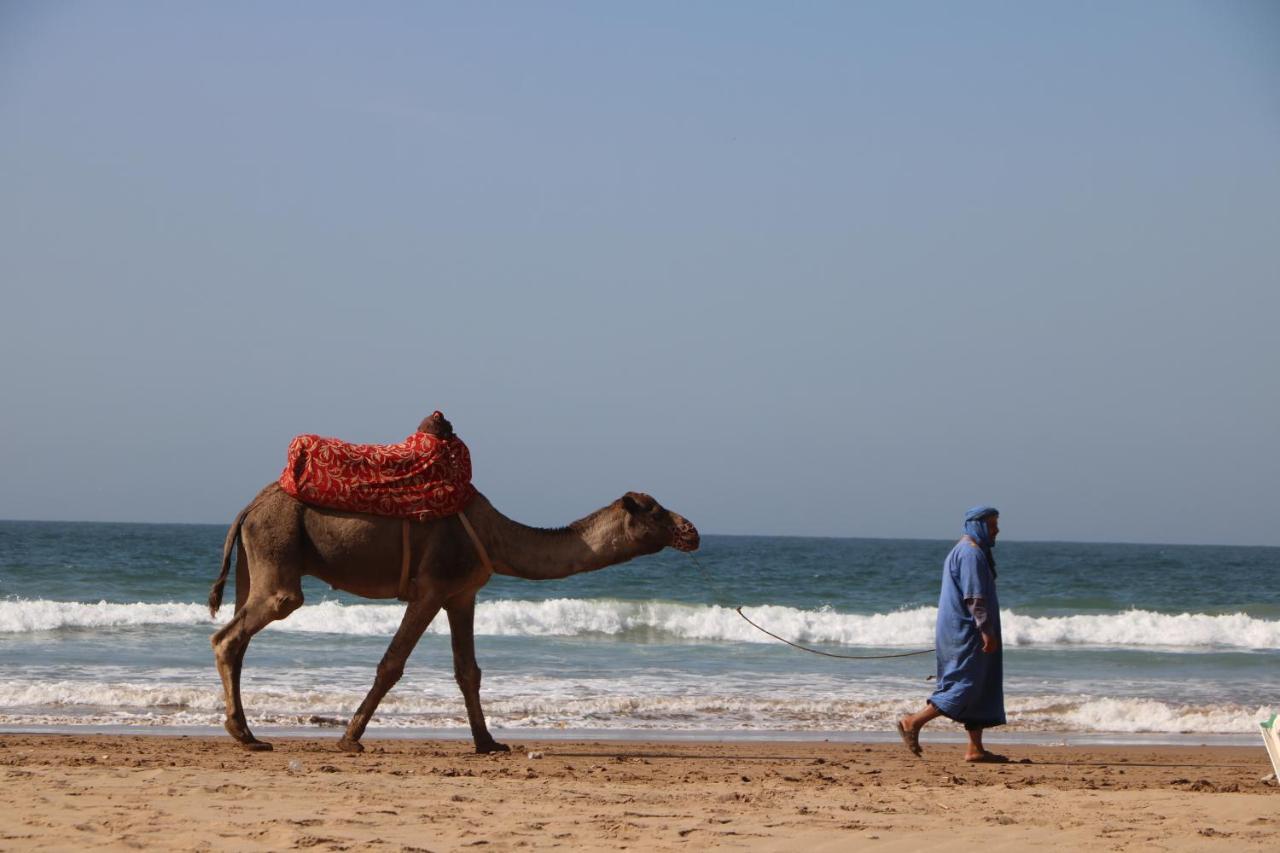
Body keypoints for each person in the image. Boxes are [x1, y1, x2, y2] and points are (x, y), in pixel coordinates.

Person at [896, 505, 1007, 762]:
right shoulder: (970, 554)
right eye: (992, 525)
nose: (997, 530)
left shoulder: (970, 551)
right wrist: (986, 631)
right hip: (967, 633)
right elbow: (975, 597)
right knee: (964, 685)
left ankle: (975, 749)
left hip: (966, 631)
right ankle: (913, 721)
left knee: (980, 687)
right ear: (977, 525)